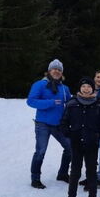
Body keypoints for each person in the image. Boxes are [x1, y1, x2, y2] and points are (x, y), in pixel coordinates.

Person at [60, 77, 100, 197]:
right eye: (84, 86)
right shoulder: (72, 103)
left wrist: (97, 134)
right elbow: (64, 122)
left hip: (92, 143)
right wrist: (69, 133)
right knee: (74, 173)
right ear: (80, 88)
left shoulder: (99, 105)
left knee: (91, 173)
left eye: (89, 86)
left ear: (93, 89)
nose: (86, 89)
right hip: (76, 143)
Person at [27, 59, 72, 189]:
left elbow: (70, 104)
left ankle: (62, 174)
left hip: (59, 125)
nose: (57, 71)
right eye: (54, 69)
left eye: (59, 69)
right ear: (49, 71)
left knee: (70, 148)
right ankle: (35, 178)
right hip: (43, 124)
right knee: (40, 151)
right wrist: (50, 102)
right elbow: (31, 101)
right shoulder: (40, 84)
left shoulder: (64, 88)